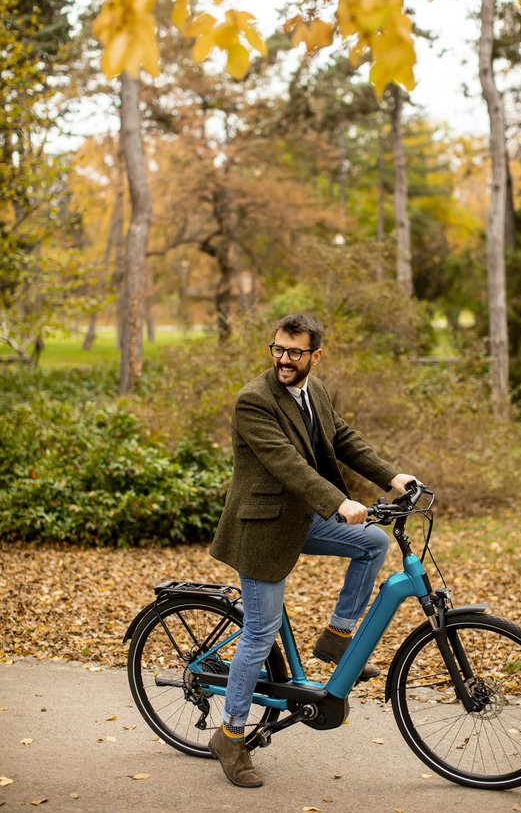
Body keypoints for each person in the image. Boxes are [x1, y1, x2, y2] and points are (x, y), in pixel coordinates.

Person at [209, 313, 421, 788]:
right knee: (260, 633)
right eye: (278, 349)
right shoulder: (253, 401)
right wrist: (338, 501)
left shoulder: (316, 391)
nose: (284, 359)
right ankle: (230, 735)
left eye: (294, 352)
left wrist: (392, 476)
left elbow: (343, 438)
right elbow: (287, 464)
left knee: (372, 541)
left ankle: (336, 638)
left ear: (315, 355)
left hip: (301, 519)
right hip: (262, 529)